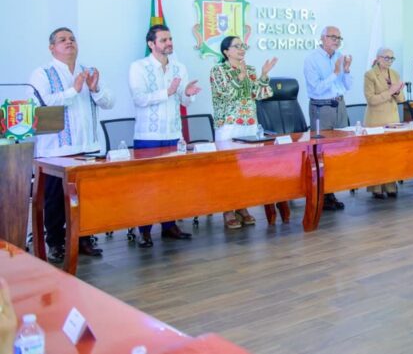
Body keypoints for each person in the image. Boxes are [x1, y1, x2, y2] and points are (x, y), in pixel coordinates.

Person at [29, 27, 114, 263]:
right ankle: (56, 243)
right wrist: (73, 90)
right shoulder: (42, 74)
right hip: (56, 151)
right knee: (56, 200)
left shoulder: (88, 71)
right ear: (52, 48)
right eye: (62, 40)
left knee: (85, 199)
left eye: (72, 39)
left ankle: (83, 239)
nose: (69, 42)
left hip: (87, 147)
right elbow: (42, 104)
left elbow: (109, 102)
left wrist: (95, 88)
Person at [128, 25, 199, 247]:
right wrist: (166, 92)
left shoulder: (179, 67)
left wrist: (188, 94)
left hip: (174, 134)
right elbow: (139, 98)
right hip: (148, 135)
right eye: (163, 40)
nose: (169, 43)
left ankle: (169, 225)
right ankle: (144, 230)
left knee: (172, 183)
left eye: (170, 39)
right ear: (151, 44)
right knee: (147, 185)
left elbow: (184, 101)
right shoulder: (139, 67)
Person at [210, 35, 277, 227]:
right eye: (237, 46)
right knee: (228, 170)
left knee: (245, 169)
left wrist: (264, 75)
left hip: (249, 125)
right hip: (228, 125)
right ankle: (227, 210)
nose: (241, 49)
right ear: (226, 51)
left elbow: (260, 94)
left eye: (243, 46)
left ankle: (242, 207)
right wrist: (239, 78)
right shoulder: (218, 71)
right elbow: (227, 95)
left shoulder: (250, 69)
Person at [304, 25, 353, 209]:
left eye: (339, 38)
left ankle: (331, 190)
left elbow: (347, 86)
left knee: (338, 151)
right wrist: (335, 73)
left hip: (340, 105)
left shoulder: (340, 57)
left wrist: (346, 70)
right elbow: (316, 88)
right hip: (321, 107)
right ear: (322, 38)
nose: (336, 41)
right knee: (321, 152)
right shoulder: (312, 59)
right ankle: (321, 195)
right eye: (333, 37)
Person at [363, 47, 406, 199]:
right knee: (377, 155)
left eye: (392, 58)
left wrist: (397, 91)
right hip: (376, 120)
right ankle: (376, 188)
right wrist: (390, 92)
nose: (389, 61)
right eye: (386, 58)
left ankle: (390, 185)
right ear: (378, 58)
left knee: (391, 154)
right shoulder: (370, 75)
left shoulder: (394, 74)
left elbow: (401, 99)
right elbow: (371, 100)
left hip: (392, 119)